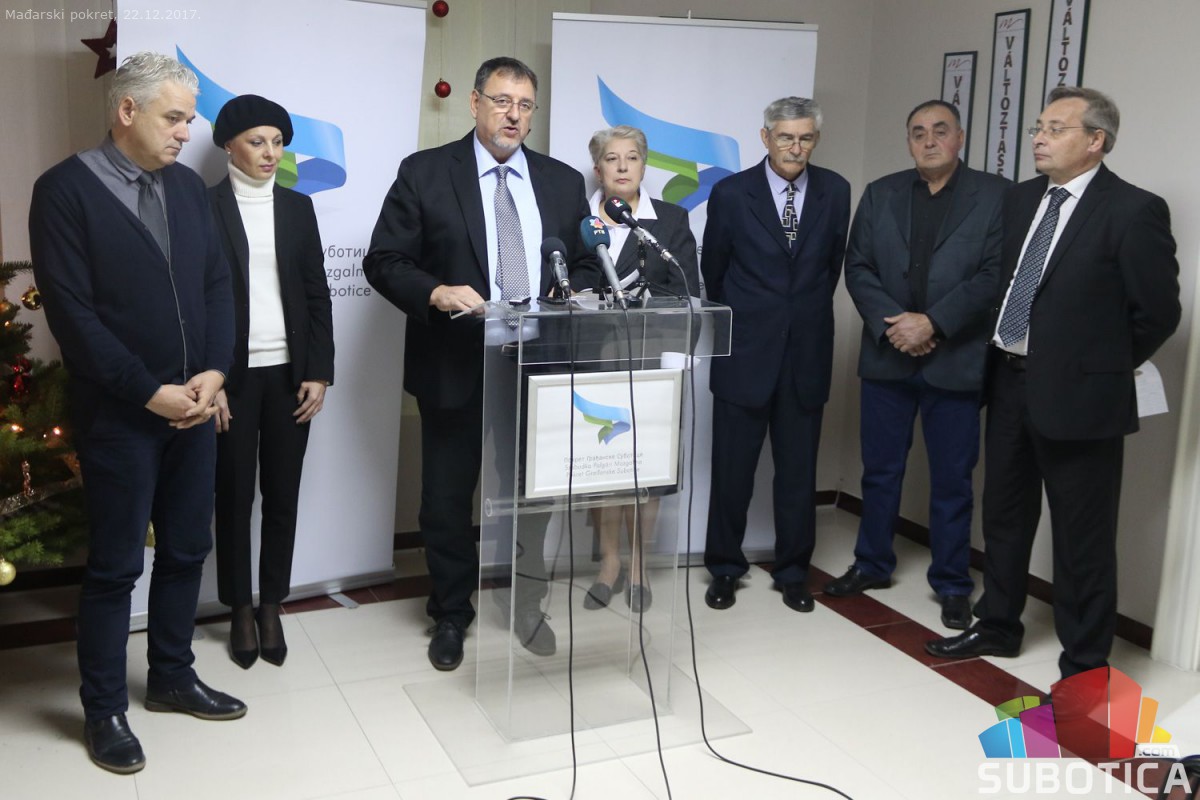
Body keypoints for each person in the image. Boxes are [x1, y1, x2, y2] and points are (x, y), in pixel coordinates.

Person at [28, 52, 245, 775]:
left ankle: (173, 678)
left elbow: (217, 286)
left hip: (195, 408)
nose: (187, 133)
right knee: (116, 567)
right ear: (127, 111)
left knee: (186, 550)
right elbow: (73, 317)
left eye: (189, 119)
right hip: (120, 417)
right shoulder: (63, 191)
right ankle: (103, 711)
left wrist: (214, 373)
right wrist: (150, 392)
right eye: (174, 118)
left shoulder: (187, 189)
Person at [926, 87, 1180, 678]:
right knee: (1004, 517)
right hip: (1008, 383)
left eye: (1055, 129)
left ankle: (1085, 664)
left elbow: (1157, 313)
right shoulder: (1020, 199)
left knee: (1081, 534)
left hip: (1082, 399)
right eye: (1038, 127)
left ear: (1096, 141)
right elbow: (1008, 284)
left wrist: (1096, 369)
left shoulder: (1133, 209)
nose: (1039, 138)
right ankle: (998, 626)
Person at [363, 57, 598, 671]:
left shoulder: (562, 181)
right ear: (474, 104)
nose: (512, 115)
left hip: (539, 365)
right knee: (446, 498)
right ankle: (451, 612)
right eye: (501, 101)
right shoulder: (425, 172)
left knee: (532, 495)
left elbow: (583, 263)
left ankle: (528, 603)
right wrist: (436, 292)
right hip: (456, 363)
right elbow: (384, 259)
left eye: (524, 105)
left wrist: (573, 289)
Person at [828, 100, 1008, 629]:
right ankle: (871, 564)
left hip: (955, 359)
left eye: (940, 130)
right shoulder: (880, 193)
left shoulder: (996, 196)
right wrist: (897, 326)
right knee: (880, 470)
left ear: (960, 138)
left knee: (953, 479)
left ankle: (952, 583)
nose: (929, 140)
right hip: (888, 356)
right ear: (908, 141)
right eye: (918, 132)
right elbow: (857, 267)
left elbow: (995, 274)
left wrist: (933, 323)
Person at [701, 97, 850, 613]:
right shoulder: (730, 193)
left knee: (797, 475)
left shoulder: (836, 191)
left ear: (816, 139)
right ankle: (724, 568)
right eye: (786, 137)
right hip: (744, 352)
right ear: (765, 137)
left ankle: (792, 573)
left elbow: (831, 268)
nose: (796, 147)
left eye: (806, 138)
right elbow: (715, 272)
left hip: (806, 354)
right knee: (732, 472)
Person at [208, 95, 334, 669]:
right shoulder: (204, 206)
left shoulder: (298, 208)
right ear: (229, 145)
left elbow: (316, 293)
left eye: (278, 142)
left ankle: (271, 605)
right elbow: (197, 299)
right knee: (234, 496)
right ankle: (238, 606)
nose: (270, 153)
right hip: (231, 378)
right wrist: (210, 381)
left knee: (283, 494)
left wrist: (319, 371)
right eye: (257, 141)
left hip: (290, 376)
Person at [582, 124, 700, 612]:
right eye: (612, 159)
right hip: (594, 361)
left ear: (644, 166)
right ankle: (609, 564)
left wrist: (677, 354)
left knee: (647, 468)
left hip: (653, 361)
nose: (623, 166)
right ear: (598, 169)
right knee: (604, 465)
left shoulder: (669, 219)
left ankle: (638, 566)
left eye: (632, 157)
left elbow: (688, 290)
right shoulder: (579, 220)